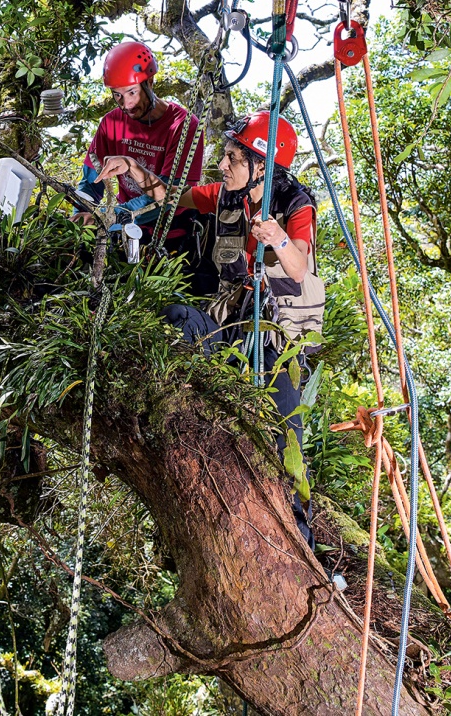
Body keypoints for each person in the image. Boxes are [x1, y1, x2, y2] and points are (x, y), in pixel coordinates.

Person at [95, 110, 325, 546]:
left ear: (262, 167)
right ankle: (202, 431)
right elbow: (171, 196)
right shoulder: (225, 196)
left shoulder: (296, 203)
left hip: (272, 335)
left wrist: (274, 238)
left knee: (285, 433)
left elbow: (297, 266)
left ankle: (301, 537)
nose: (222, 164)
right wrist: (131, 167)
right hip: (228, 319)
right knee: (177, 318)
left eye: (232, 158)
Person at [75, 40, 206, 268]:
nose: (126, 104)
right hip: (123, 228)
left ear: (150, 82)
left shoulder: (183, 126)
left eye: (132, 92)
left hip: (172, 234)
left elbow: (165, 197)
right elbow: (90, 183)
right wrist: (80, 214)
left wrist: (109, 217)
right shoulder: (111, 123)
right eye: (117, 95)